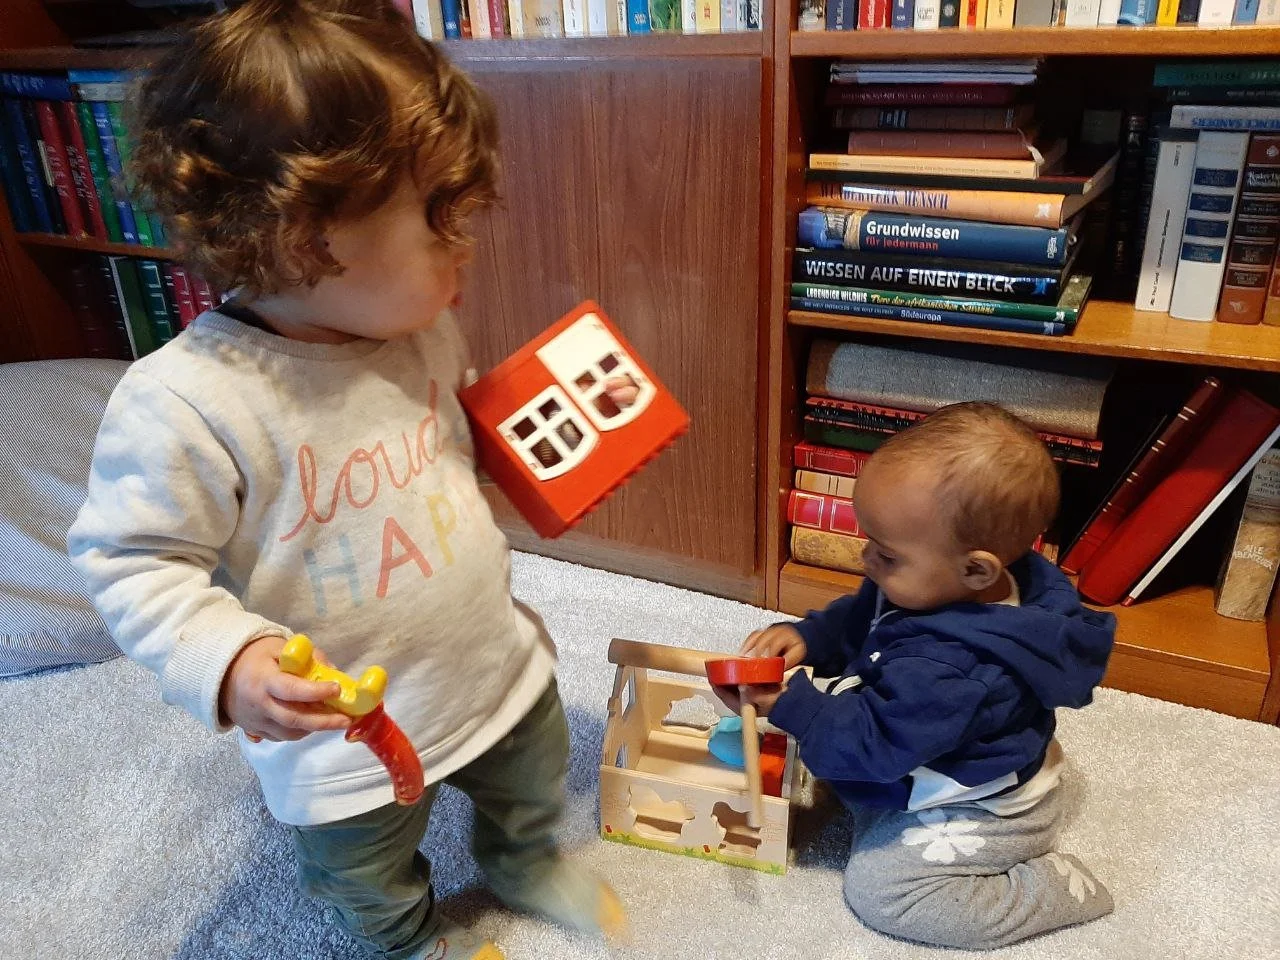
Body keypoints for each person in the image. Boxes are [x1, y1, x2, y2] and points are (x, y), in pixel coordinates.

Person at [67, 3, 629, 958]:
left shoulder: (415, 330)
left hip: (486, 657)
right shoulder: (189, 404)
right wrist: (230, 661)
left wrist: (521, 459)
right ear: (301, 236)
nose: (468, 244)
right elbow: (131, 563)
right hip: (347, 732)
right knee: (364, 866)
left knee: (534, 768)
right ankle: (405, 939)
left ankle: (524, 859)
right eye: (440, 218)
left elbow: (436, 441)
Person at [717, 402, 1115, 949]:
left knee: (883, 891)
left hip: (982, 805)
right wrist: (816, 637)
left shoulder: (952, 671)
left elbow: (877, 745)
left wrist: (792, 707)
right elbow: (869, 614)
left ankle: (1047, 889)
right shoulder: (944, 578)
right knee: (826, 760)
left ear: (977, 569)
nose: (865, 560)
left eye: (886, 554)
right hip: (924, 739)